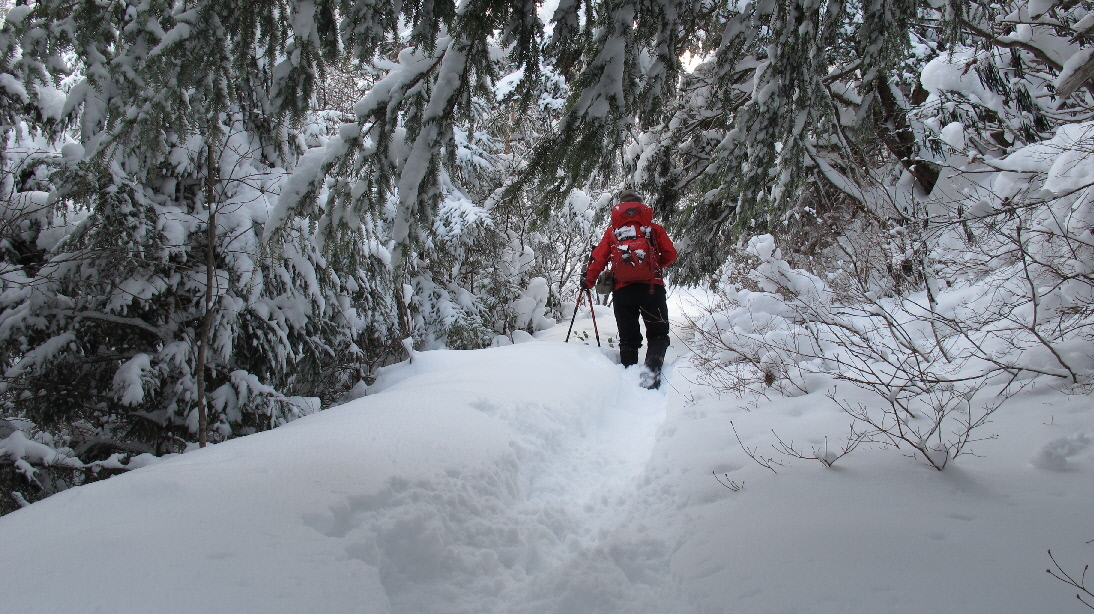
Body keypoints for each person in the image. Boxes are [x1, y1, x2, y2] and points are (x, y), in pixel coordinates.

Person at [580, 189, 678, 389]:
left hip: (623, 291)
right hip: (652, 288)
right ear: (641, 205)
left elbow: (598, 258)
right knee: (658, 333)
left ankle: (628, 378)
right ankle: (651, 373)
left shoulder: (613, 232)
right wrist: (654, 267)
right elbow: (670, 254)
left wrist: (588, 282)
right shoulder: (653, 229)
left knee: (628, 338)